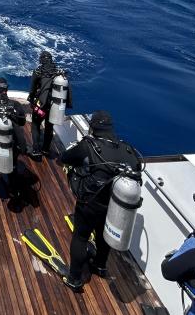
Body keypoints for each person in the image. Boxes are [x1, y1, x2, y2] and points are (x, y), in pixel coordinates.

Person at [59, 110, 142, 292]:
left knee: (81, 237)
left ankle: (74, 279)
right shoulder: (128, 150)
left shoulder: (89, 146)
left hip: (91, 204)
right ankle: (100, 266)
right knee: (103, 234)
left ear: (93, 127)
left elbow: (64, 158)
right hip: (115, 206)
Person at [26, 51, 72, 158]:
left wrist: (31, 100)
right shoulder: (59, 72)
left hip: (42, 105)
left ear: (41, 60)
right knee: (49, 126)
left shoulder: (38, 71)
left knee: (35, 124)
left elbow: (32, 89)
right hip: (54, 106)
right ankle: (46, 150)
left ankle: (36, 150)